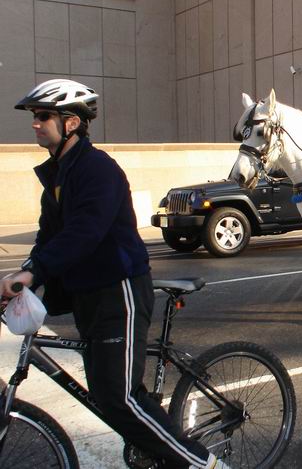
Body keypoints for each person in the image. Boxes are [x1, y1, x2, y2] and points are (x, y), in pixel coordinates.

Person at [0, 79, 225, 469]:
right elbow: (50, 237)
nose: (35, 124)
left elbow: (85, 232)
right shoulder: (57, 174)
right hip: (88, 293)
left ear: (71, 123)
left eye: (42, 116)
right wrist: (28, 274)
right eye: (34, 117)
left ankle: (204, 465)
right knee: (109, 394)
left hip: (117, 289)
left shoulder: (96, 169)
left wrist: (35, 269)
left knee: (119, 398)